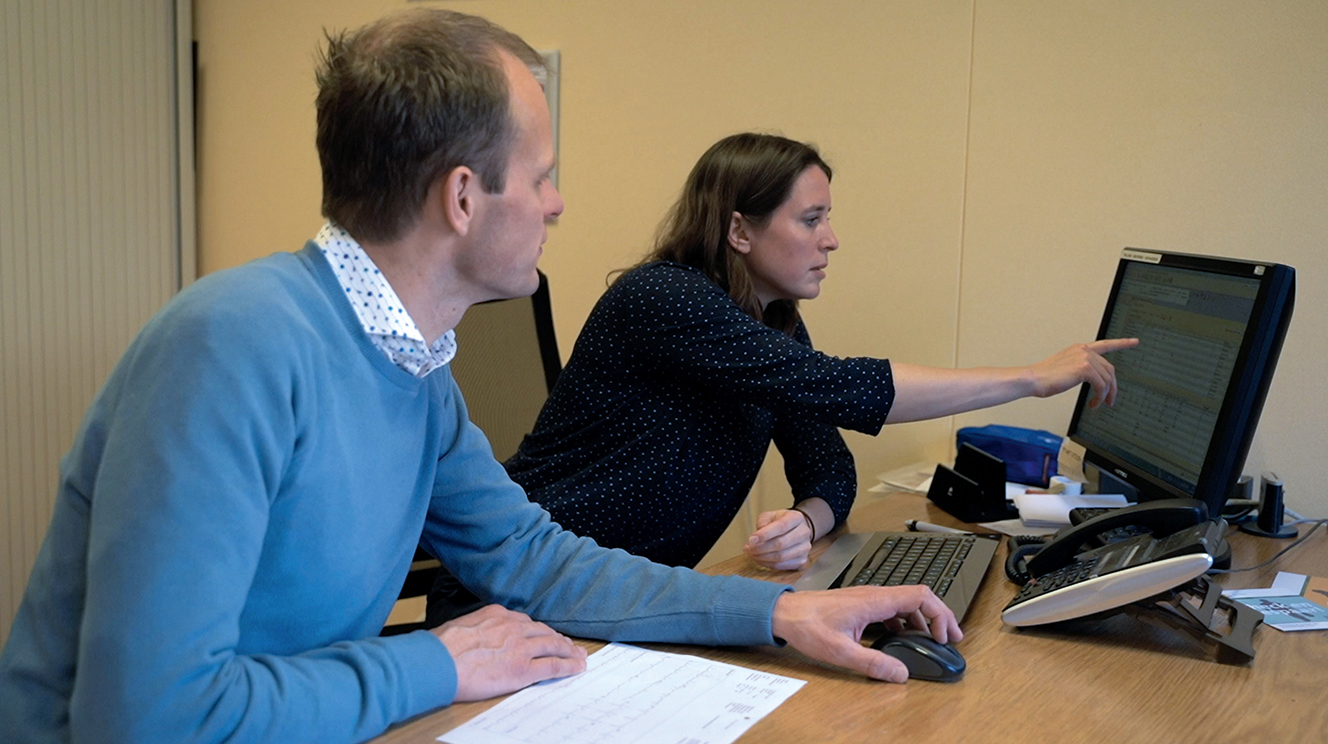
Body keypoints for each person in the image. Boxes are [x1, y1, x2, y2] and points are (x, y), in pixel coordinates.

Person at [0, 10, 966, 744]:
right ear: (463, 197)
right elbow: (151, 716)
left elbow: (538, 560)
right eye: (540, 175)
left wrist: (781, 612)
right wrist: (429, 664)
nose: (557, 203)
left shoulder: (416, 370)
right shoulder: (230, 346)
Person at [496, 133, 1136, 573]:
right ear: (739, 229)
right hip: (518, 577)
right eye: (811, 219)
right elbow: (846, 389)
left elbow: (828, 464)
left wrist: (805, 522)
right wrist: (1029, 378)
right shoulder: (665, 298)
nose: (831, 240)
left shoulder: (773, 323)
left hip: (613, 591)